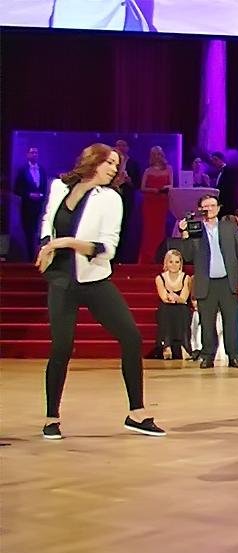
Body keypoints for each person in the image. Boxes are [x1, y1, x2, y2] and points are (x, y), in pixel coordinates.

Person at [35, 143, 165, 439]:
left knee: (131, 337)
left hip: (94, 278)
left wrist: (65, 243)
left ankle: (136, 413)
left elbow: (107, 248)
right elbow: (47, 222)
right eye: (110, 162)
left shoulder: (110, 198)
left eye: (117, 165)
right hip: (61, 279)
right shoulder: (59, 186)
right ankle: (51, 418)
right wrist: (46, 246)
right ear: (93, 160)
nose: (114, 169)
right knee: (61, 347)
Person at [180, 194, 238, 368]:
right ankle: (208, 355)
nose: (209, 209)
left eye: (212, 205)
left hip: (228, 282)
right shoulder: (196, 228)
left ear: (218, 208)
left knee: (231, 321)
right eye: (206, 206)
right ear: (200, 209)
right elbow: (187, 256)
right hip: (206, 283)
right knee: (207, 322)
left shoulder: (229, 227)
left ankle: (234, 355)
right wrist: (185, 235)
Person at [155, 249, 192, 360]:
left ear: (181, 264)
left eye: (177, 262)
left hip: (181, 307)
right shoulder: (160, 278)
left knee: (183, 310)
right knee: (165, 309)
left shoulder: (186, 278)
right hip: (166, 306)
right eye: (171, 262)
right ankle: (166, 346)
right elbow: (164, 297)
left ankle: (184, 346)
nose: (174, 265)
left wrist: (176, 298)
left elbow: (184, 298)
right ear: (166, 263)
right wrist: (174, 298)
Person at [138, 146, 173, 264]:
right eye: (154, 154)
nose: (157, 156)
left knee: (160, 229)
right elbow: (142, 187)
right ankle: (147, 256)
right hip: (150, 202)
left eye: (159, 153)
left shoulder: (169, 169)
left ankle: (159, 255)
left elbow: (171, 185)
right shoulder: (148, 171)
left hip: (162, 202)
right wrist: (153, 190)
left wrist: (164, 188)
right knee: (149, 229)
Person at [13, 146, 49, 259]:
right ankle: (30, 258)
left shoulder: (42, 170)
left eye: (36, 153)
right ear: (27, 155)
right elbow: (16, 189)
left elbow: (45, 188)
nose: (34, 155)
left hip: (40, 206)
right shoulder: (22, 171)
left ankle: (40, 255)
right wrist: (29, 195)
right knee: (29, 232)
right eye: (32, 152)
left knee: (40, 230)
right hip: (27, 207)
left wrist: (42, 195)